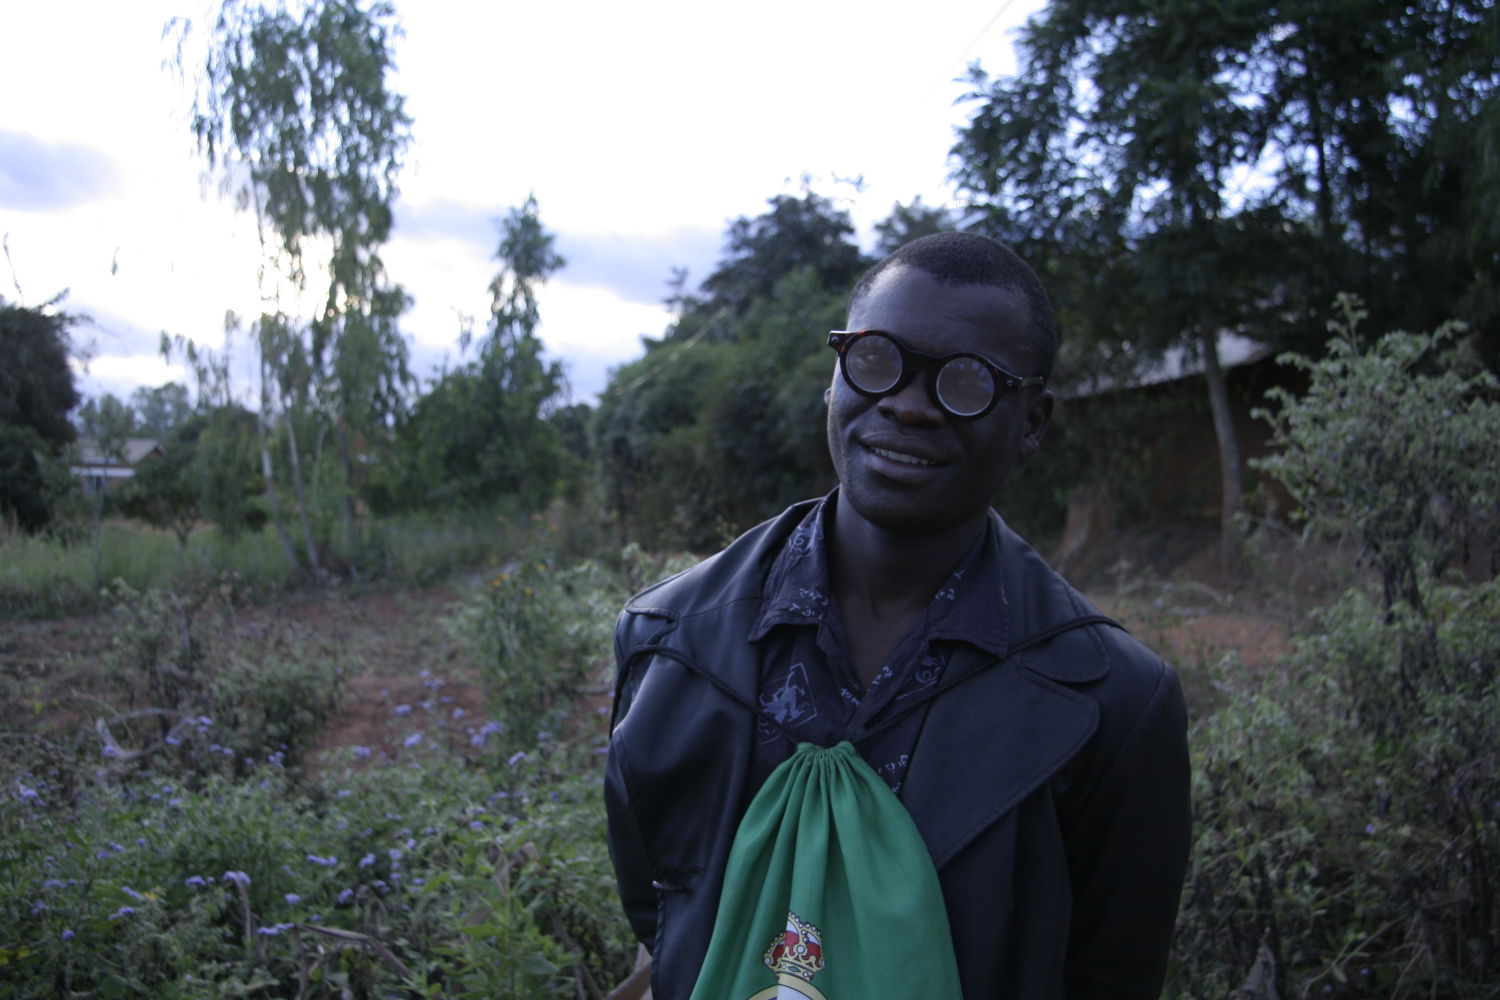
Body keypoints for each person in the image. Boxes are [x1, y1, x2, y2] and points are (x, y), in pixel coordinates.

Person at [605, 232, 1192, 999]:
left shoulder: (1111, 703)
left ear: (1034, 422)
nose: (908, 405)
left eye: (968, 380)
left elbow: (1110, 976)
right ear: (836, 373)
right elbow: (662, 913)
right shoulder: (669, 641)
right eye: (876, 359)